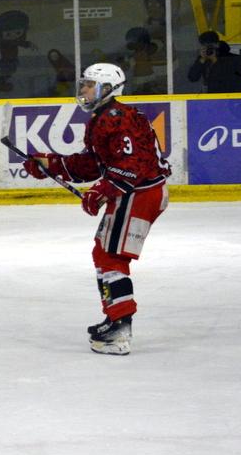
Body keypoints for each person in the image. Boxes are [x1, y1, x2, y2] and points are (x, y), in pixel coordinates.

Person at [23, 63, 171, 355]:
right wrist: (52, 164)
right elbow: (95, 163)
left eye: (91, 85)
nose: (84, 90)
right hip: (133, 191)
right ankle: (115, 317)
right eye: (84, 84)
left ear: (108, 89)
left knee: (111, 256)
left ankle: (120, 328)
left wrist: (103, 189)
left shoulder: (119, 118)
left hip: (139, 192)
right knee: (103, 253)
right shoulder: (102, 118)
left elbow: (134, 165)